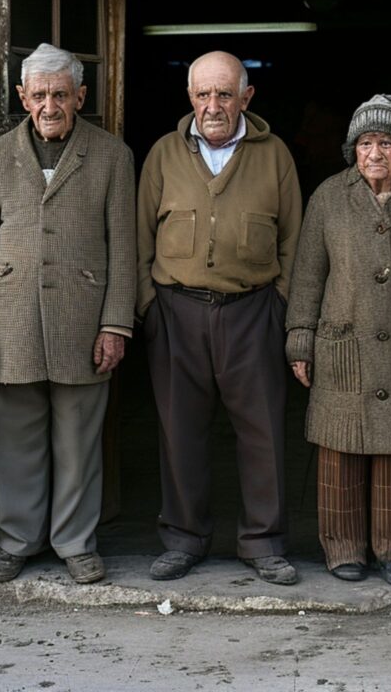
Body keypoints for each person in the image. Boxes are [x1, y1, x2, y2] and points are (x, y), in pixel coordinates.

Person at [0, 43, 136, 584]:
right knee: (13, 439)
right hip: (10, 320)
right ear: (22, 97)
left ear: (80, 96)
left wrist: (115, 323)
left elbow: (123, 248)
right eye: (39, 95)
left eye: (60, 94)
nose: (50, 105)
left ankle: (76, 542)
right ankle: (15, 540)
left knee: (79, 440)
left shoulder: (111, 156)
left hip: (84, 320)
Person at [137, 51, 302, 585]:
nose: (214, 105)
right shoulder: (163, 154)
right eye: (204, 94)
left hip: (253, 310)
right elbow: (139, 239)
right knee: (179, 430)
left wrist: (279, 306)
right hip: (176, 311)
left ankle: (263, 541)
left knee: (263, 431)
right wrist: (148, 308)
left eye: (225, 94)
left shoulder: (275, 154)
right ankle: (184, 538)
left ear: (246, 98)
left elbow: (295, 241)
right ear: (190, 98)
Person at [285, 95, 391, 586]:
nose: (375, 153)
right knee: (340, 452)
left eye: (386, 142)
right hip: (342, 344)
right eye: (365, 143)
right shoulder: (328, 199)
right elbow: (309, 276)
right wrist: (300, 339)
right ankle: (343, 550)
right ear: (352, 150)